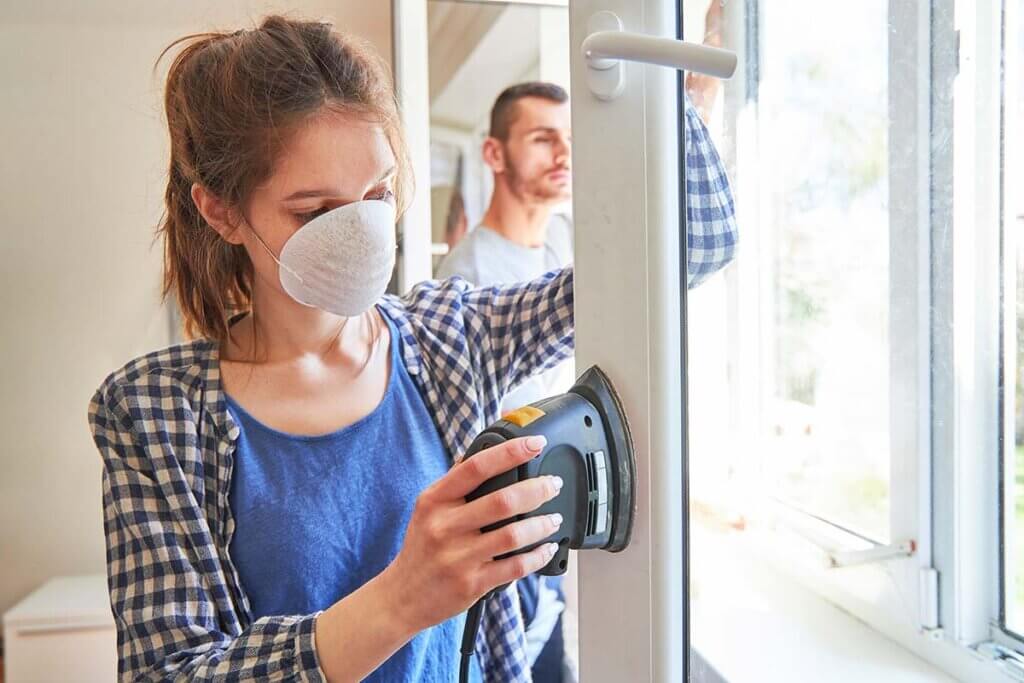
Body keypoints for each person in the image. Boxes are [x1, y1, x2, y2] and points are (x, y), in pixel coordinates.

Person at [87, 16, 737, 683]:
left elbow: (690, 249)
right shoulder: (149, 413)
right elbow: (166, 672)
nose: (362, 233)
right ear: (222, 212)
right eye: (314, 212)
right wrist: (401, 599)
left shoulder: (451, 334)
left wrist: (670, 99)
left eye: (379, 194)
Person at [436, 81, 738, 681]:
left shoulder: (566, 237)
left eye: (570, 139)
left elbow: (680, 254)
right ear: (494, 154)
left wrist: (674, 102)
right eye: (543, 138)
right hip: (521, 545)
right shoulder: (467, 283)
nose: (563, 154)